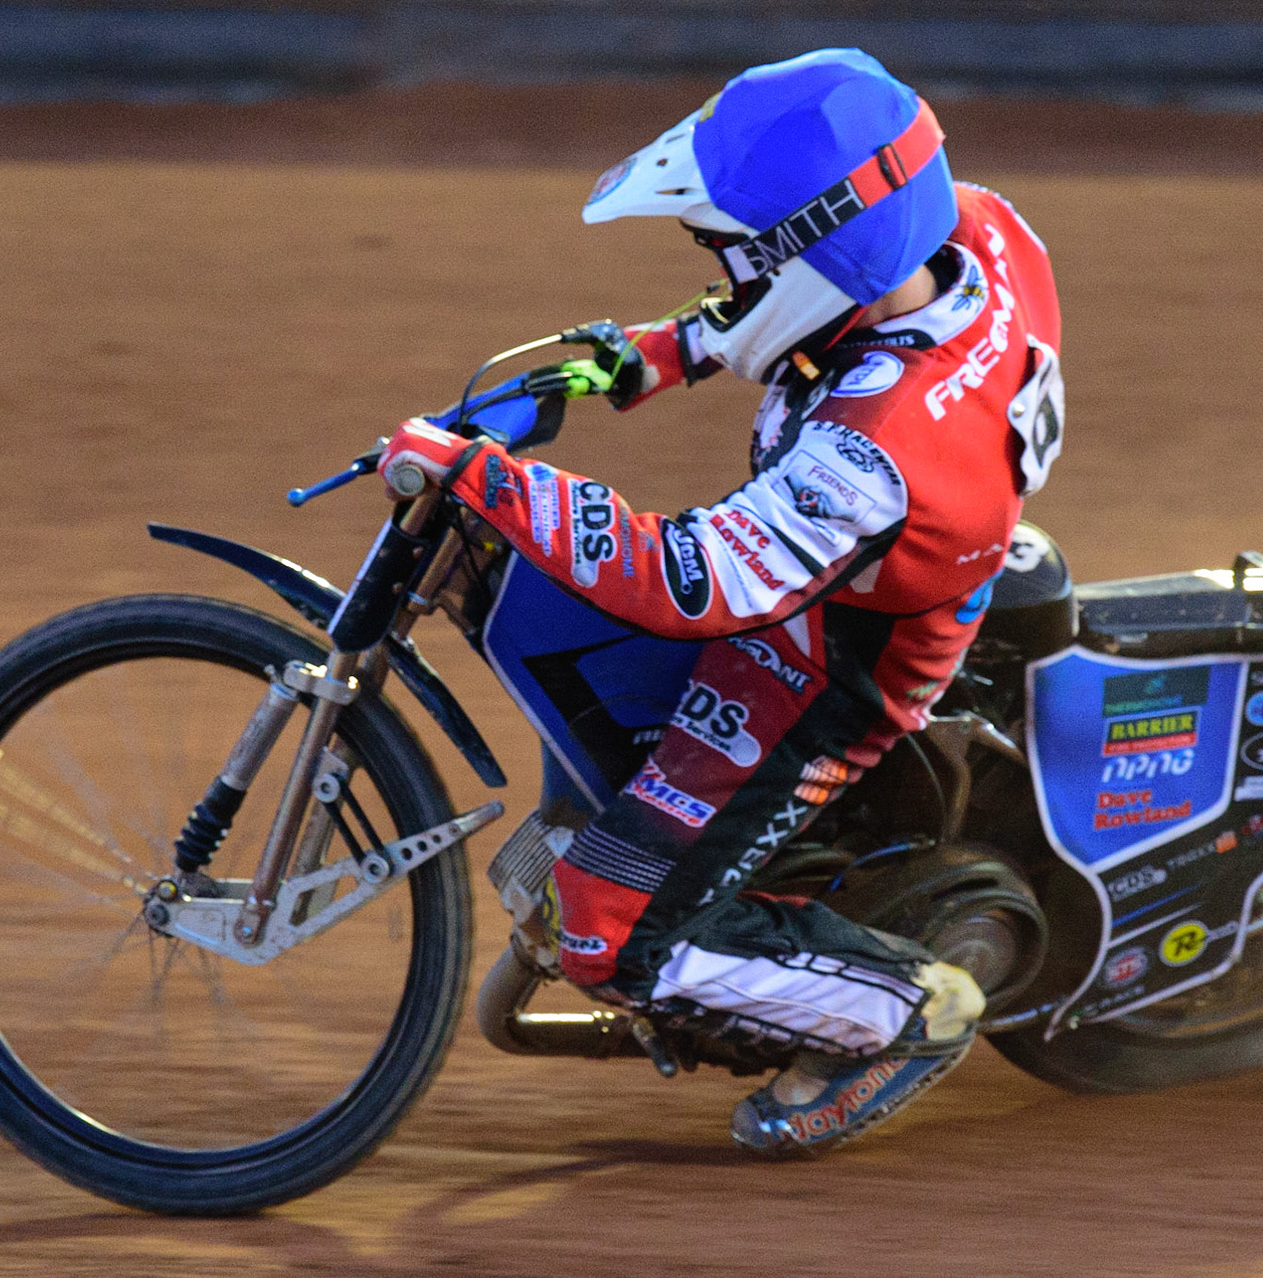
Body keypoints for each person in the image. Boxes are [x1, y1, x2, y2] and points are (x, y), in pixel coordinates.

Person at [380, 47, 1064, 1155]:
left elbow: (692, 581)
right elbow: (781, 304)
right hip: (865, 567)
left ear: (817, 254)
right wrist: (647, 358)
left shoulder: (872, 454)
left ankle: (910, 1011)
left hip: (822, 670)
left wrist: (493, 481)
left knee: (606, 936)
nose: (716, 267)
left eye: (727, 252)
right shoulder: (975, 232)